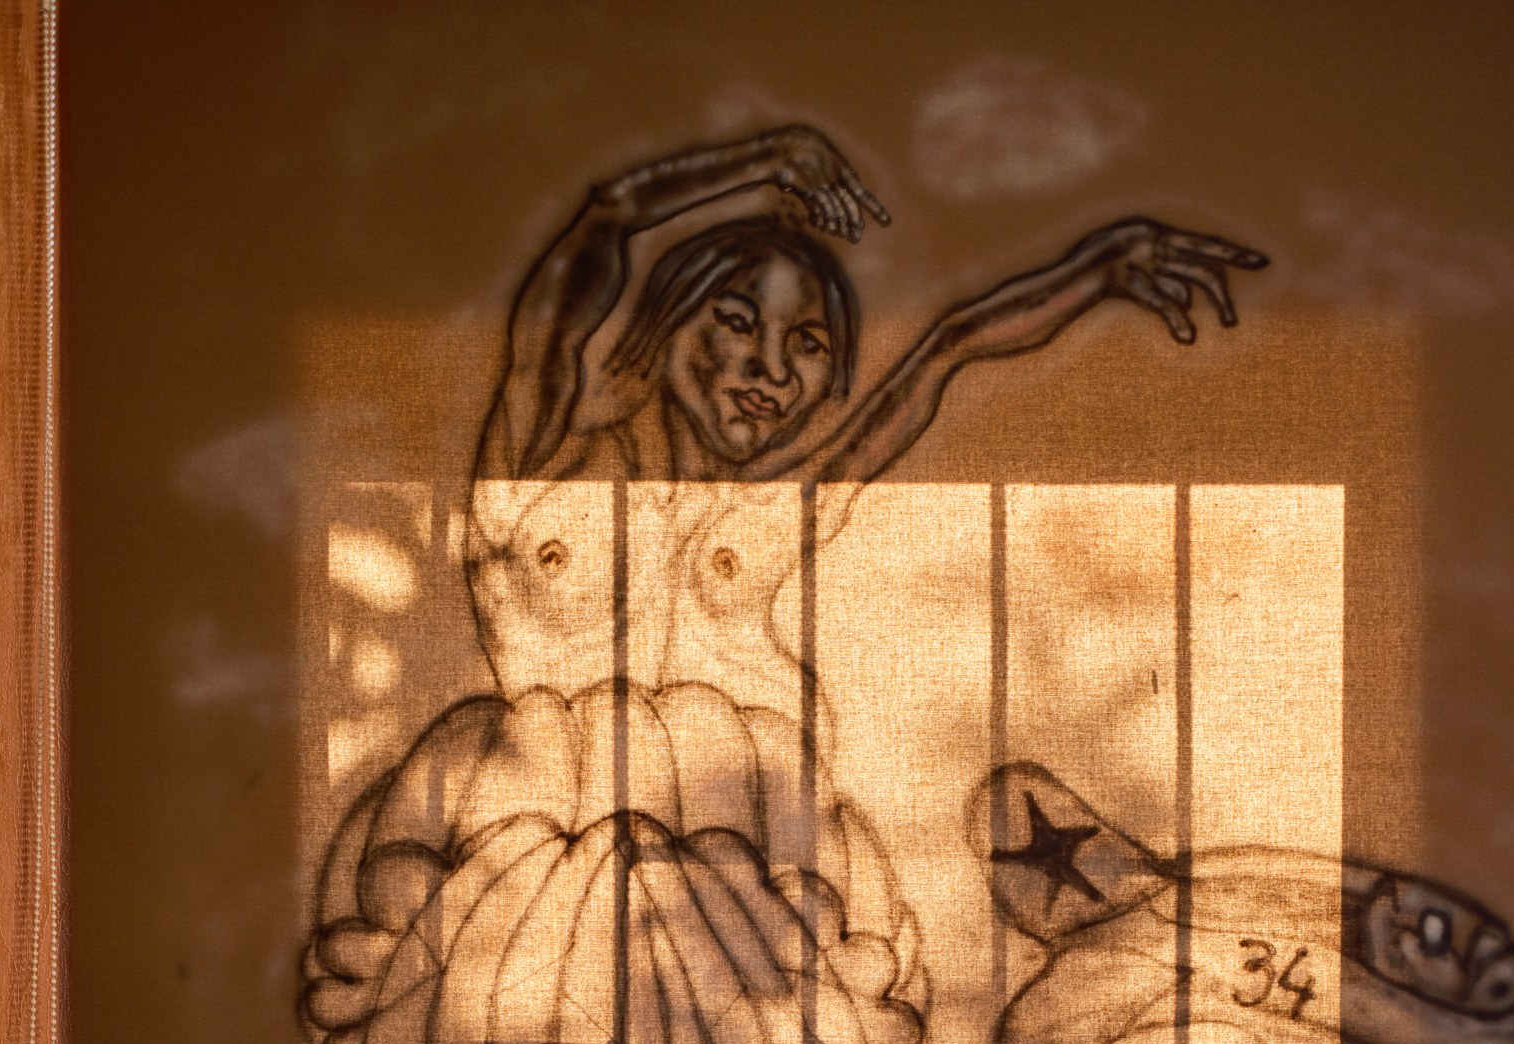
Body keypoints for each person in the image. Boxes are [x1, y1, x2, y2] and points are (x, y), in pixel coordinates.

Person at [466, 122, 1264, 724]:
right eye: (739, 322)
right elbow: (604, 221)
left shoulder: (772, 514)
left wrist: (1091, 273)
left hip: (734, 872)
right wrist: (763, 159)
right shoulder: (540, 462)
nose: (772, 370)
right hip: (549, 858)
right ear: (666, 321)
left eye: (807, 345)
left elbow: (950, 348)